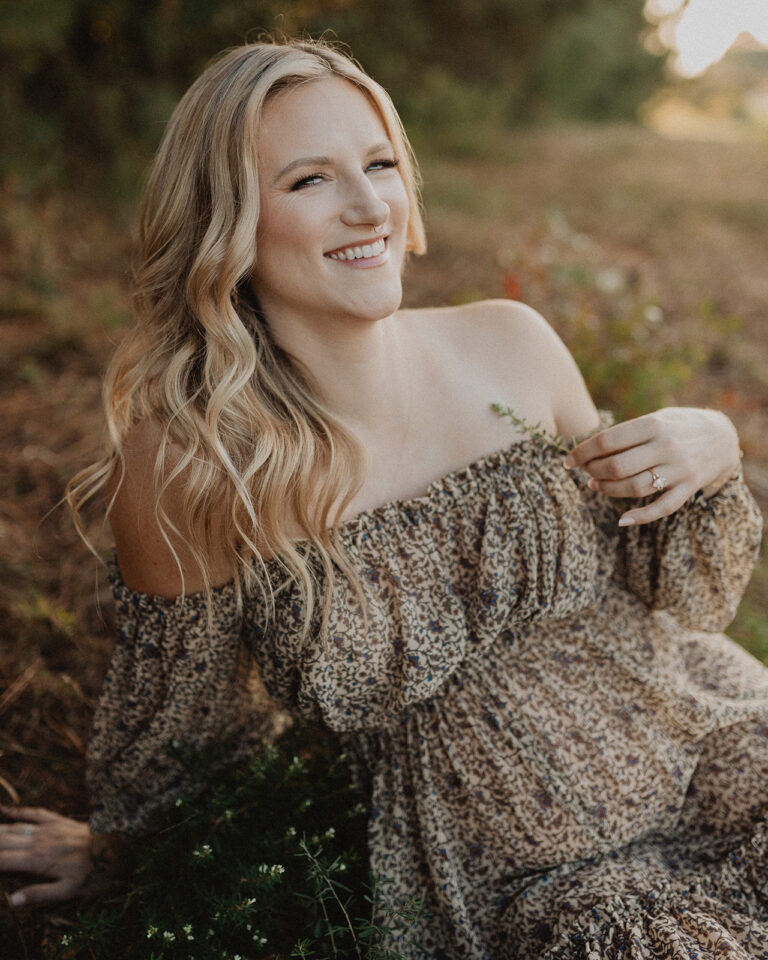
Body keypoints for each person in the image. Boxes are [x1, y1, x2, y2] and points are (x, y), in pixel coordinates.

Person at [1, 37, 767, 960]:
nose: (369, 205)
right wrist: (123, 849)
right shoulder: (195, 464)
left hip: (710, 736)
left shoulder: (511, 345)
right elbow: (186, 717)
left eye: (379, 164)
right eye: (310, 181)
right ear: (227, 224)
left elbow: (672, 592)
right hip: (536, 870)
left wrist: (711, 453)